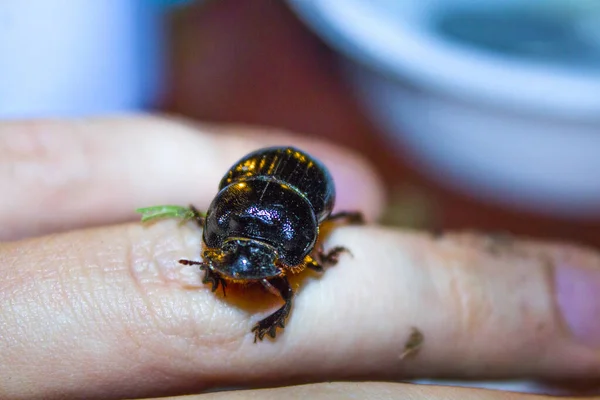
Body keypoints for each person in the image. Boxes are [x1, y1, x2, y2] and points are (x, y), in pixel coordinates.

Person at [1, 115, 598, 399]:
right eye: (221, 254)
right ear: (213, 224)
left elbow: (299, 259)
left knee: (315, 258)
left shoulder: (303, 238)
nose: (238, 273)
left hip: (303, 188)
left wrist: (295, 288)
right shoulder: (227, 219)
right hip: (257, 184)